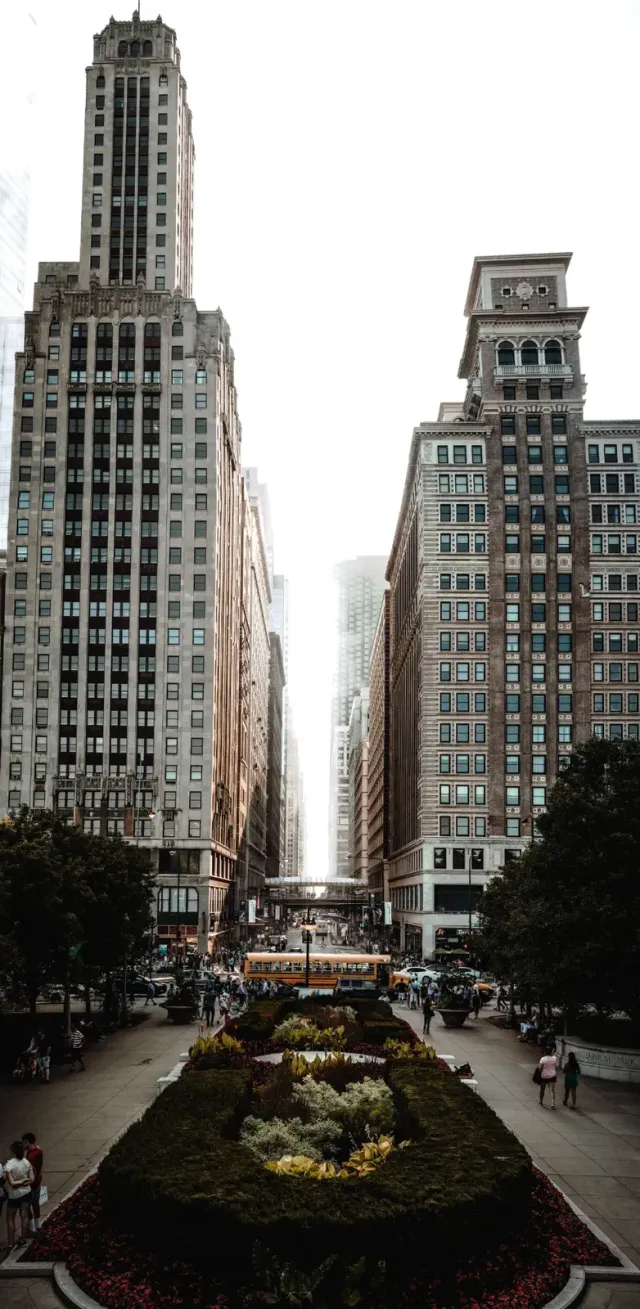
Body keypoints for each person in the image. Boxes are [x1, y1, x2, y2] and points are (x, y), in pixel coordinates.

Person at [4, 1141, 34, 1247]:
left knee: (10, 1218)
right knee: (24, 1215)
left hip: (14, 1195)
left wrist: (19, 1183)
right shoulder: (27, 1162)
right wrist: (25, 1181)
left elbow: (12, 1183)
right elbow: (32, 1179)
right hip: (26, 1193)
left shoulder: (9, 1165)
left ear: (13, 1151)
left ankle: (10, 1243)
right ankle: (22, 1238)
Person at [22, 1133, 43, 1235]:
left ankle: (32, 1228)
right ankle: (38, 1225)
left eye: (24, 1142)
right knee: (35, 1204)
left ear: (27, 1141)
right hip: (37, 1182)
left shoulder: (30, 1156)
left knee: (26, 1206)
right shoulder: (38, 1150)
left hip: (30, 1184)